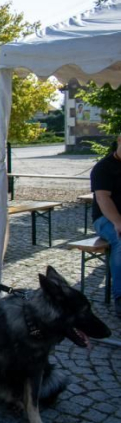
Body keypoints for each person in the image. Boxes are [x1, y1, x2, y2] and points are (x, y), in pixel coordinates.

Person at [90, 133, 121, 318]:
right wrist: (118, 221)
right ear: (119, 140)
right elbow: (103, 198)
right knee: (120, 240)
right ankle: (120, 296)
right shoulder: (103, 168)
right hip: (105, 219)